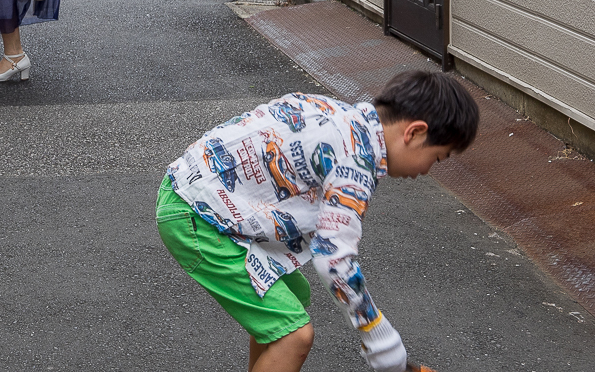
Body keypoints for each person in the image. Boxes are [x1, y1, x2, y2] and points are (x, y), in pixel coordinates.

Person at [156, 70, 479, 372]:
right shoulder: (355, 163)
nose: (427, 170)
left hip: (193, 192)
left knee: (291, 300)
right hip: (198, 217)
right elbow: (333, 257)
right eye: (437, 157)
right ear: (414, 132)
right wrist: (378, 337)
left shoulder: (338, 113)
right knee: (294, 336)